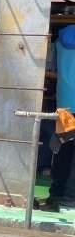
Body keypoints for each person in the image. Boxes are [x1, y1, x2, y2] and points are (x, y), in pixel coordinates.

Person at [44, 24, 75, 211]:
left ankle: (56, 193)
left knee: (64, 149)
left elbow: (52, 71)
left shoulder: (61, 38)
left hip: (65, 106)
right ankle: (71, 198)